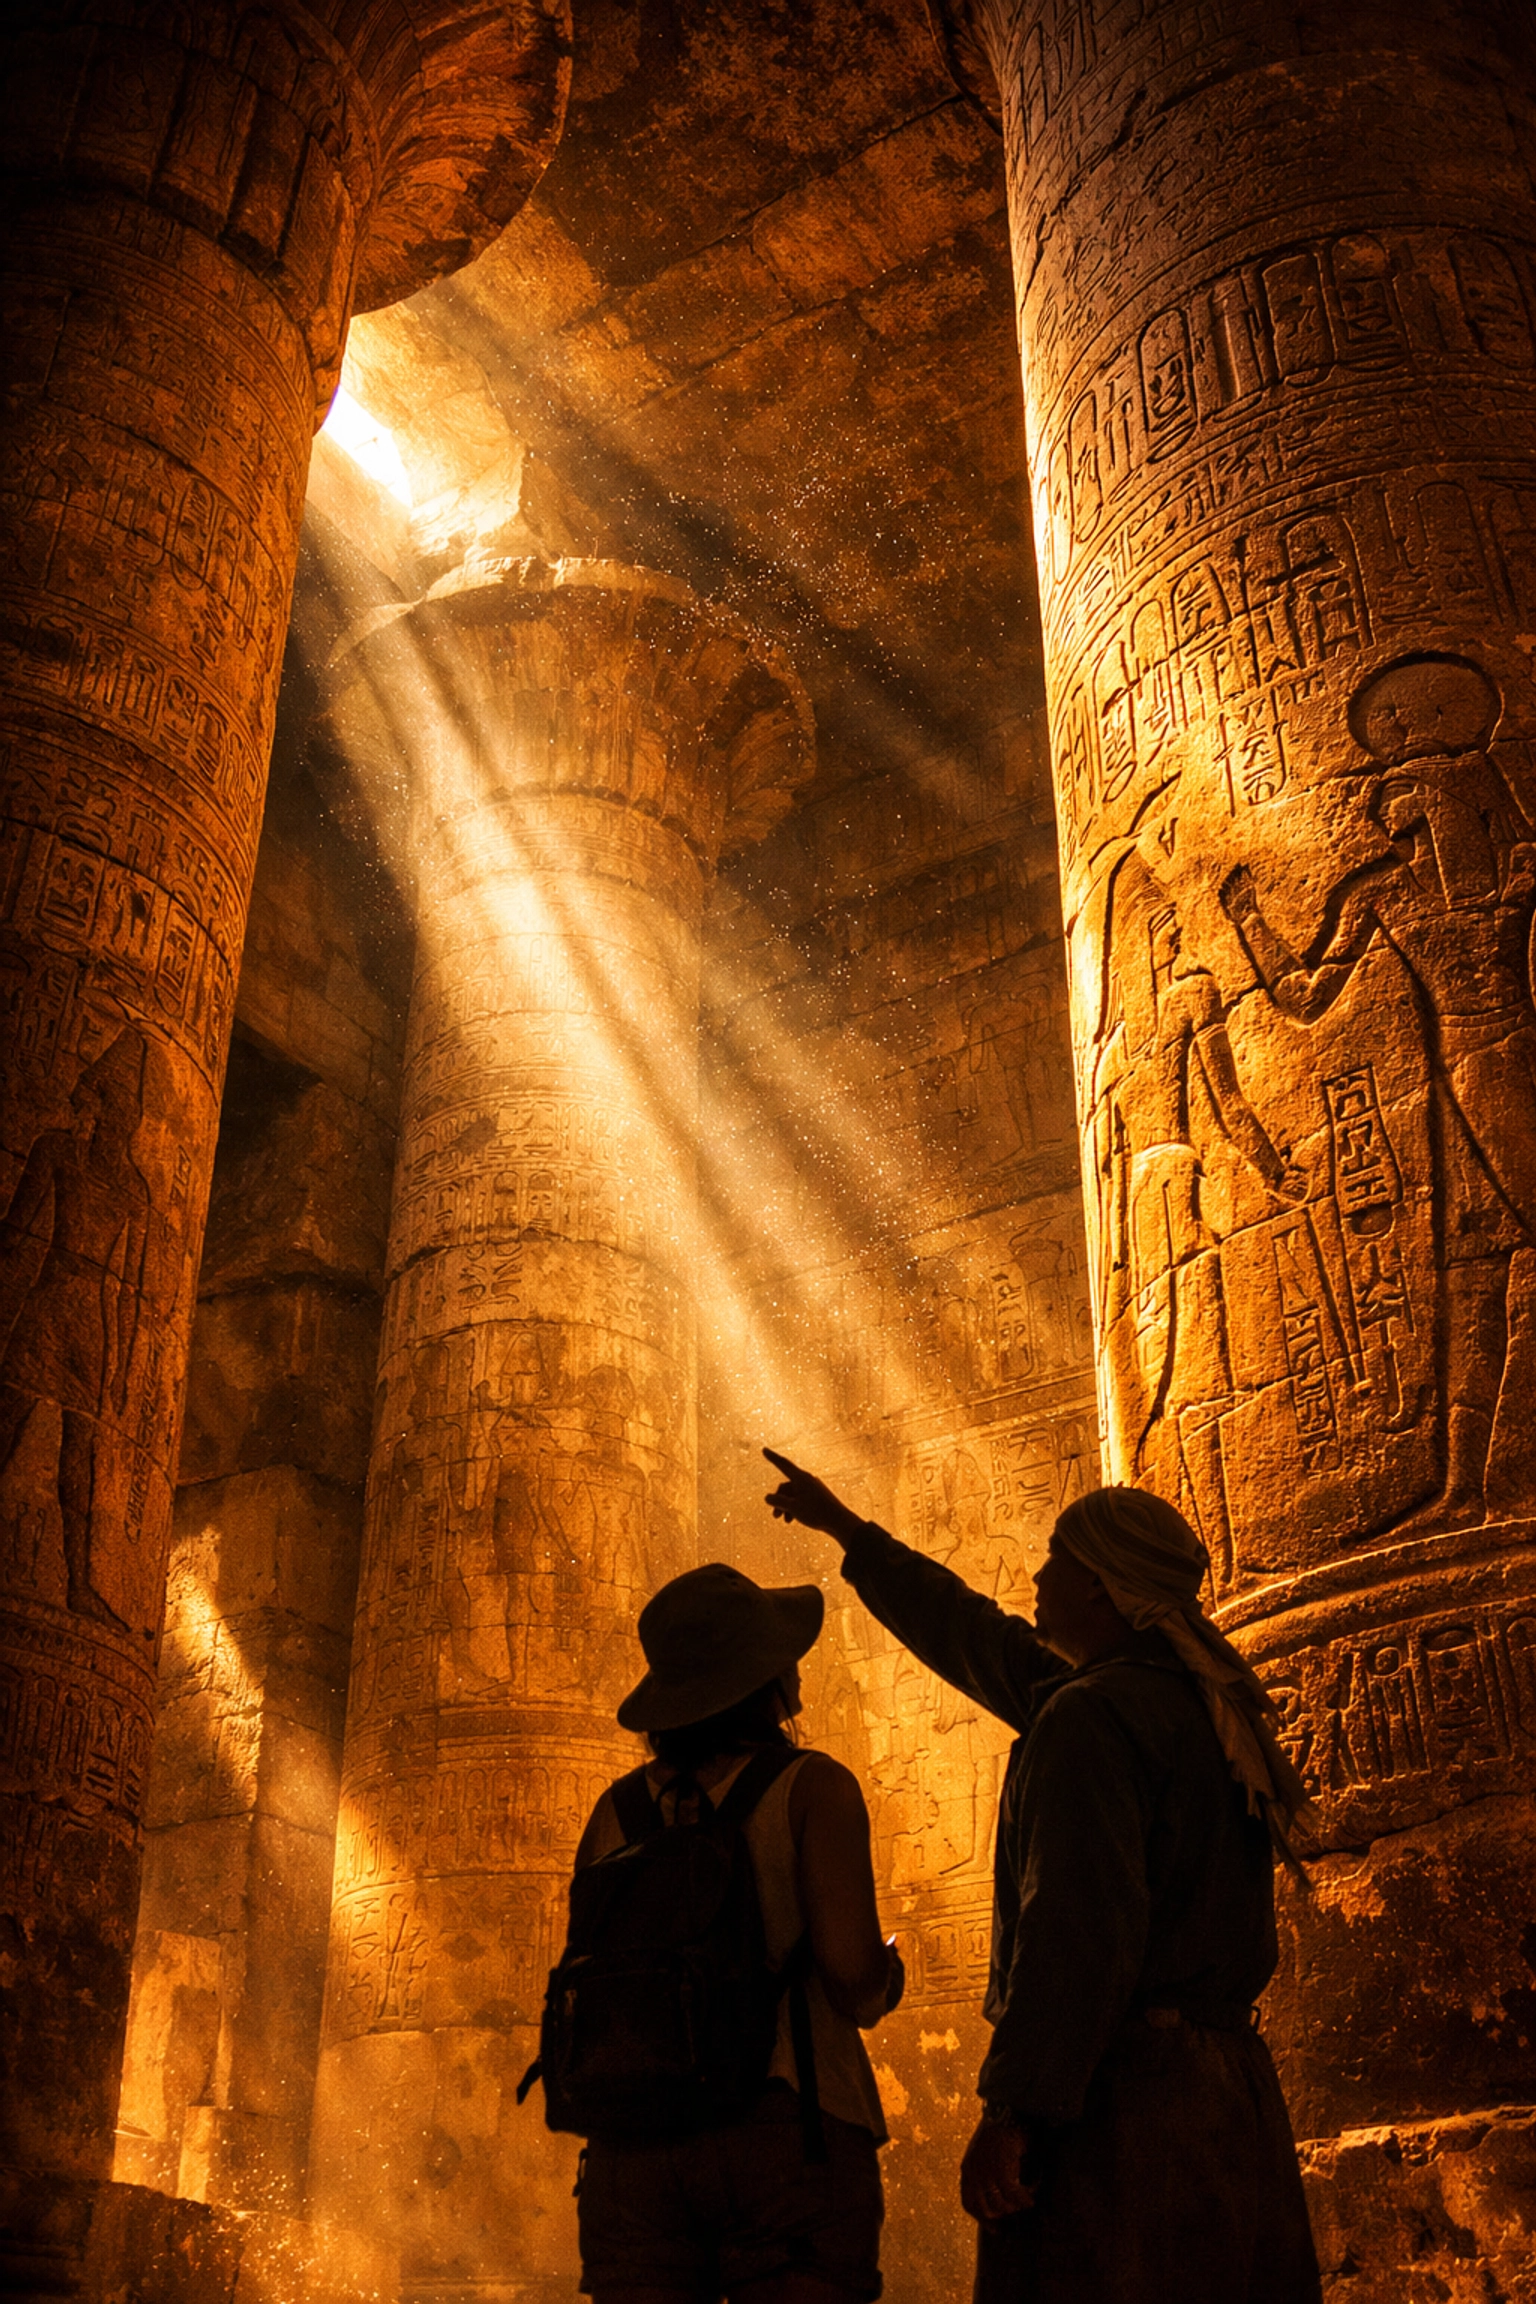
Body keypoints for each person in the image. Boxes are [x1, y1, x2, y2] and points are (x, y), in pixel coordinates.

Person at [762, 1452, 1322, 2304]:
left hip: (1125, 2109)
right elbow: (974, 1635)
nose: (1036, 1574)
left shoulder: (1091, 1717)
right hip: (1225, 2096)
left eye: (1056, 1557)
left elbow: (1075, 1934)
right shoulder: (1197, 1709)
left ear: (1099, 1586)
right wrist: (849, 1532)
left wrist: (1013, 2112)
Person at [571, 1561, 904, 2304]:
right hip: (787, 2136)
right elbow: (852, 1980)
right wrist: (888, 1977)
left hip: (633, 2150)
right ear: (764, 1680)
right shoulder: (812, 1787)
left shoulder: (614, 1812)